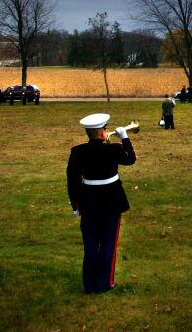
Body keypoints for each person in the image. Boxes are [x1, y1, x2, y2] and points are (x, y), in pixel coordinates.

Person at [67, 113, 136, 294]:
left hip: (88, 202)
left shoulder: (77, 151)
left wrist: (75, 206)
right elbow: (130, 159)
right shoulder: (113, 149)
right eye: (105, 129)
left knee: (90, 245)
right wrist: (125, 137)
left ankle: (89, 285)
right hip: (112, 202)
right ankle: (105, 283)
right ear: (102, 133)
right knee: (108, 244)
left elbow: (72, 180)